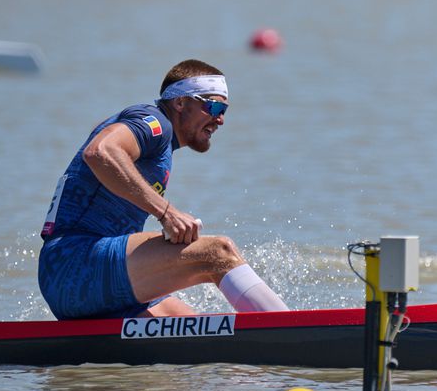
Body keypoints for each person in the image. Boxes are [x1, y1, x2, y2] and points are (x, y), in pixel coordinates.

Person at [38, 59, 288, 319]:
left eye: (225, 109)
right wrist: (166, 213)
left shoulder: (154, 136)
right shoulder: (154, 123)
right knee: (219, 253)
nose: (221, 119)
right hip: (74, 264)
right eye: (213, 106)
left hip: (83, 277)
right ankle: (290, 333)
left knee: (193, 332)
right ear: (180, 103)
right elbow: (99, 152)